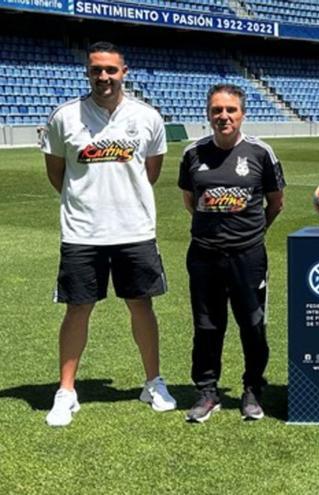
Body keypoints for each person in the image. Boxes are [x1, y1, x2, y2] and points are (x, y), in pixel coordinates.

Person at [41, 41, 176, 427]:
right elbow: (57, 173)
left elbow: (150, 171)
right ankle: (66, 391)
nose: (104, 77)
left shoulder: (147, 117)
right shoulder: (65, 117)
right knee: (77, 309)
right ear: (88, 72)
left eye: (111, 70)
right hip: (83, 232)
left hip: (134, 229)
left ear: (124, 72)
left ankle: (153, 382)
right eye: (96, 69)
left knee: (141, 306)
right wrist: (84, 201)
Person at [179, 84, 285, 423]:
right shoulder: (193, 153)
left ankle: (253, 389)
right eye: (217, 110)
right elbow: (190, 201)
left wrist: (251, 234)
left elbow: (276, 202)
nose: (224, 116)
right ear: (208, 114)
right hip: (204, 256)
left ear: (242, 113)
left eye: (231, 110)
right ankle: (207, 391)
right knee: (207, 326)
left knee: (252, 325)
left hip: (248, 256)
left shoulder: (260, 153)